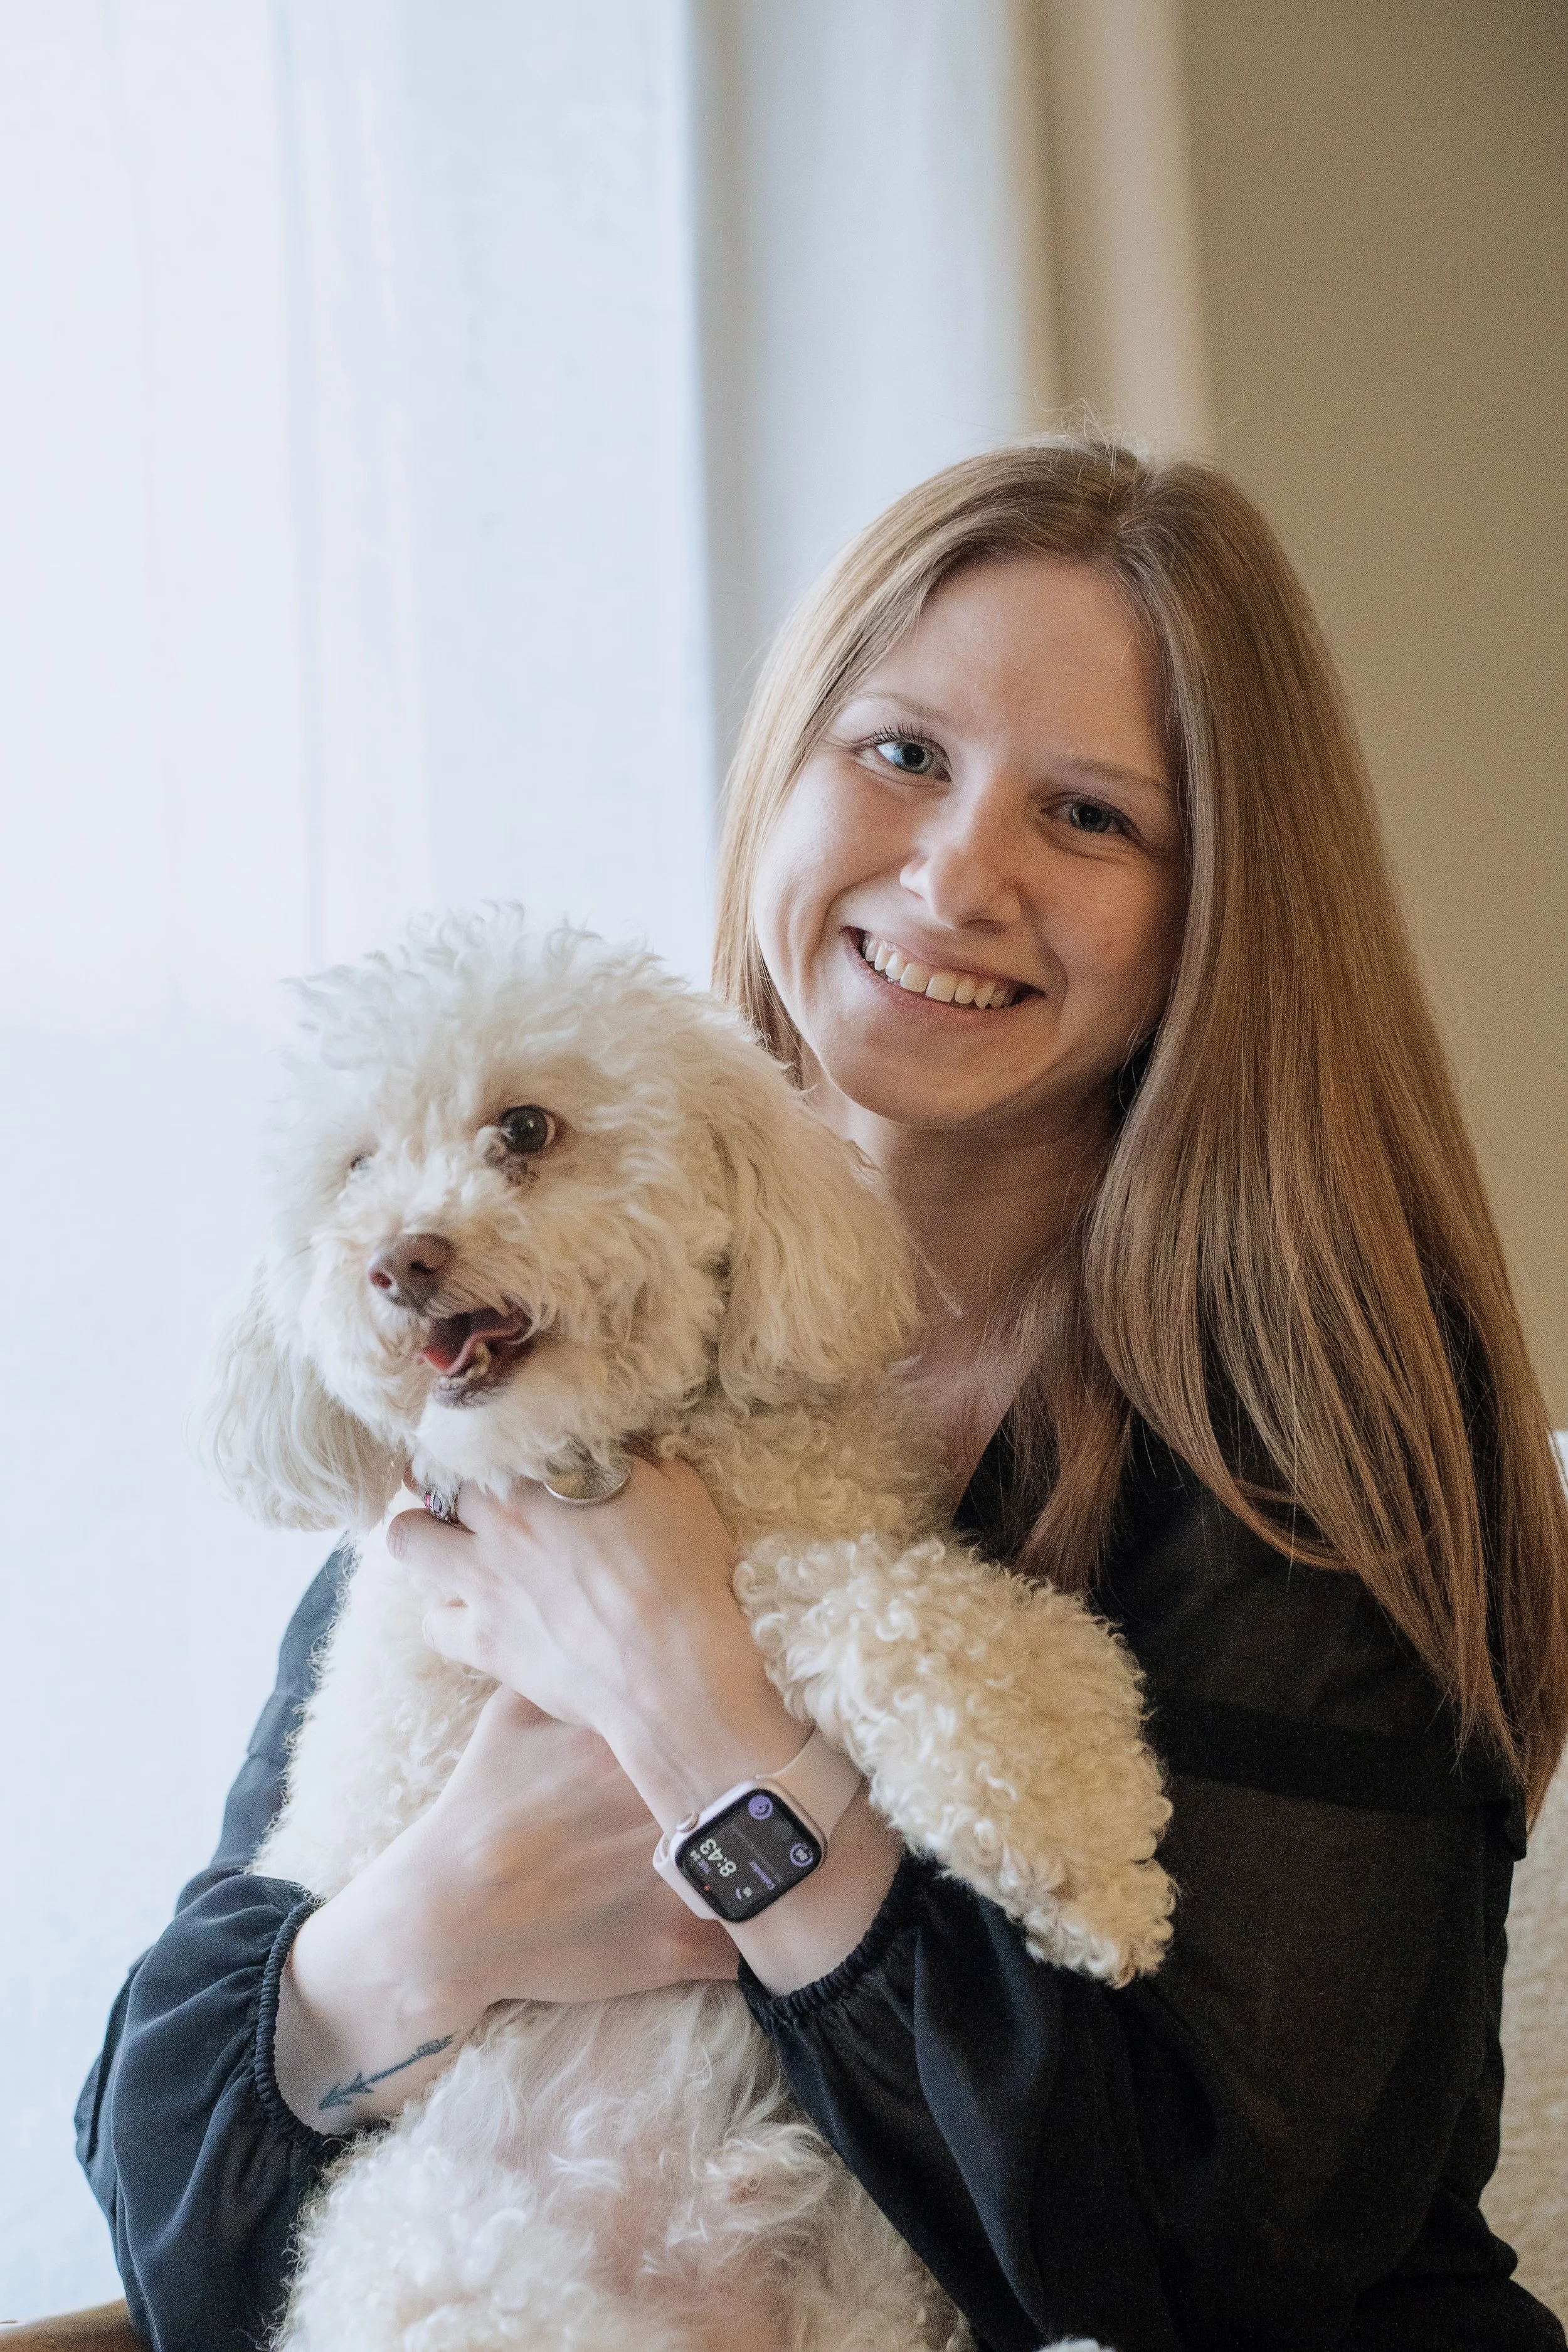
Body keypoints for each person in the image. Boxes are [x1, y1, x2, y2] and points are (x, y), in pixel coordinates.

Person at [78, 438, 1568, 2351]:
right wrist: (432, 1926)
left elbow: (1224, 2253)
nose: (957, 874)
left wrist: (701, 1724)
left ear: (1217, 905)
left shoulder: (1318, 1423)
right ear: (780, 770)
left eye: (1091, 816)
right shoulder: (538, 1329)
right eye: (899, 754)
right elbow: (165, 2199)